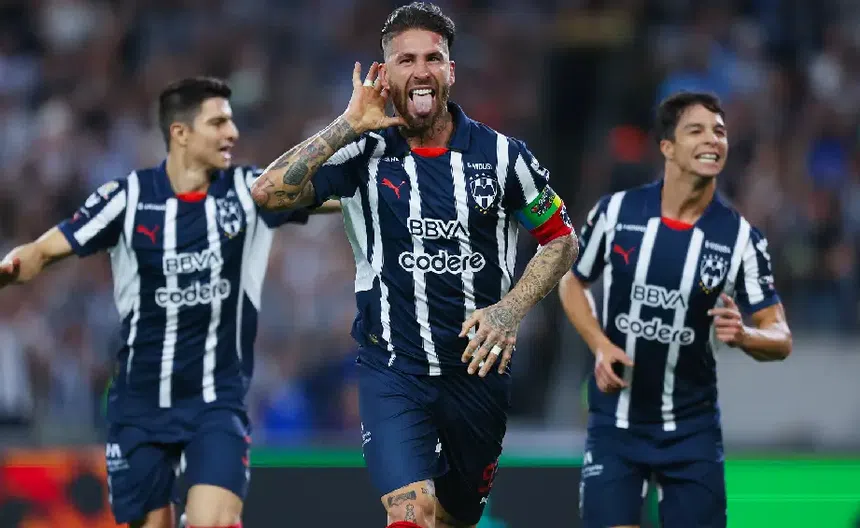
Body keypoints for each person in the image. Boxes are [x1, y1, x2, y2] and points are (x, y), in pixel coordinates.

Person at [249, 3, 578, 527]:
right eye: (406, 60)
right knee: (411, 513)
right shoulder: (363, 153)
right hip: (393, 370)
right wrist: (347, 124)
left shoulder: (504, 157)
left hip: (477, 374)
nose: (421, 70)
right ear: (385, 74)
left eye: (433, 58)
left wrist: (510, 310)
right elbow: (267, 193)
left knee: (453, 517)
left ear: (451, 70)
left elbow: (561, 239)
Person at [0, 77, 339, 528]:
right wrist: (13, 267)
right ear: (180, 133)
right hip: (141, 408)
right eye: (217, 123)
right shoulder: (126, 198)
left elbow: (334, 195)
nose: (231, 133)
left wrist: (351, 129)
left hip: (216, 403)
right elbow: (43, 250)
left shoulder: (248, 191)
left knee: (214, 522)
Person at [558, 91, 792, 528]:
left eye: (719, 131)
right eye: (696, 130)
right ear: (667, 147)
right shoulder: (616, 212)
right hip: (617, 423)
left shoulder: (741, 239)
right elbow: (572, 282)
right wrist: (599, 344)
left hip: (692, 430)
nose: (713, 140)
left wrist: (746, 336)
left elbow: (780, 337)